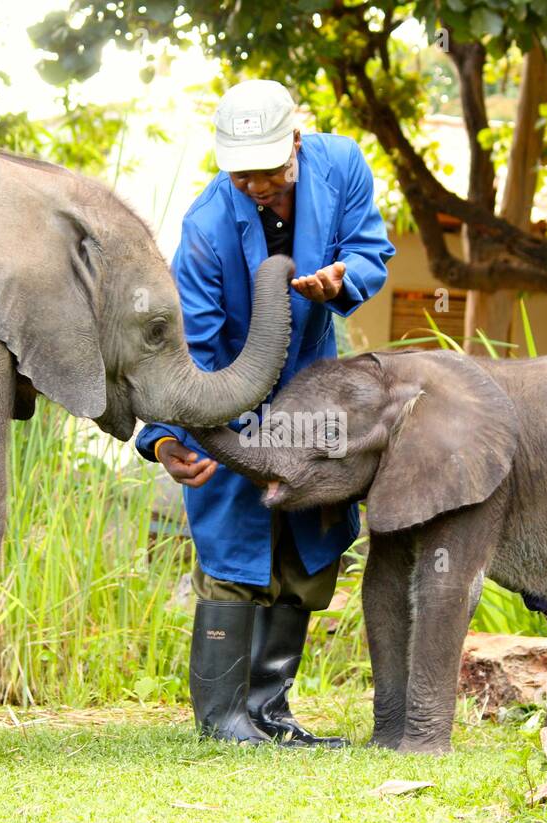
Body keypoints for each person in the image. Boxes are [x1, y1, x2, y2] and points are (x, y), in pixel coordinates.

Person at [135, 80, 395, 746]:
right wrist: (167, 437)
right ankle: (223, 717)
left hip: (311, 394)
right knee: (233, 552)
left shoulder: (342, 166)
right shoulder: (206, 225)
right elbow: (185, 341)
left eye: (270, 169)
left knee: (305, 554)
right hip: (227, 397)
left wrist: (344, 279)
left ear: (298, 143)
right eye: (241, 171)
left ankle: (271, 714)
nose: (255, 183)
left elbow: (372, 251)